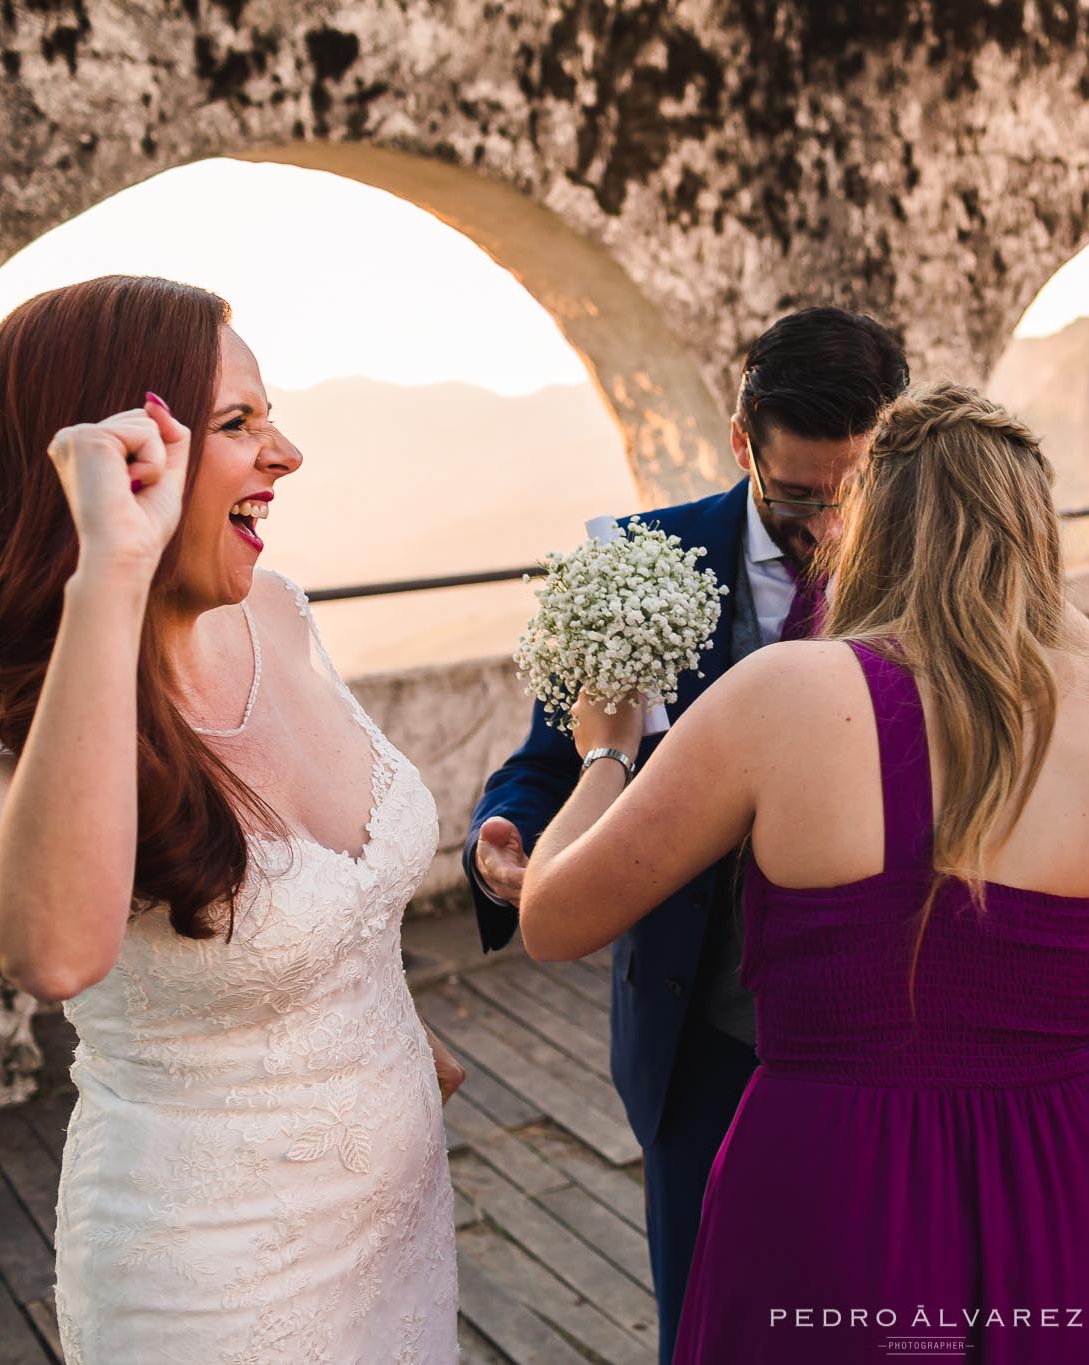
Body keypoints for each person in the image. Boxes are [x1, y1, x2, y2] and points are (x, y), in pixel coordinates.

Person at [516, 382, 1089, 1363]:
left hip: (839, 1168)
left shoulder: (782, 693)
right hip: (1054, 1160)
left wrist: (605, 749)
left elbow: (552, 919)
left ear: (869, 518)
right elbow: (1066, 633)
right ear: (1035, 531)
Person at [0, 276, 462, 1362]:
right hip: (209, 1289)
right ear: (121, 467)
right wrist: (112, 568)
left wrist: (395, 1037)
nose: (287, 453)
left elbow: (334, 910)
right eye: (238, 424)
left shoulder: (282, 610)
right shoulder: (2, 751)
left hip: (401, 1224)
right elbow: (55, 953)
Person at [464, 306, 912, 1362]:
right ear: (739, 439)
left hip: (882, 1024)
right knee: (707, 1311)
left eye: (854, 491)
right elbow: (550, 754)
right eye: (798, 493)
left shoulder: (928, 568)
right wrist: (506, 828)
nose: (828, 527)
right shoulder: (633, 559)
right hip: (697, 1023)